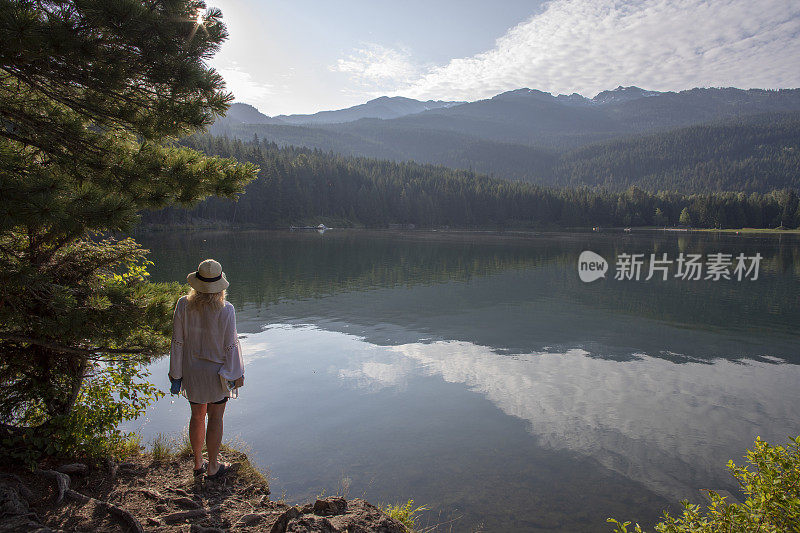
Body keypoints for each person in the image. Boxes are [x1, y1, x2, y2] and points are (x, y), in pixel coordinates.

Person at [168, 259, 244, 479]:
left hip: (192, 371)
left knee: (197, 416)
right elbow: (231, 345)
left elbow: (177, 342)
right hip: (217, 373)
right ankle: (213, 465)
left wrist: (176, 374)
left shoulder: (183, 304)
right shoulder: (226, 309)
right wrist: (236, 374)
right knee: (216, 418)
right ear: (220, 286)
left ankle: (197, 463)